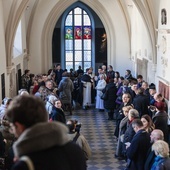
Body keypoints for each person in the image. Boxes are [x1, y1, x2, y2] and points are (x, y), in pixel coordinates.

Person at [6, 95, 86, 170]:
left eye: (12, 127)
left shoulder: (24, 164)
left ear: (19, 126)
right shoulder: (75, 150)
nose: (13, 132)